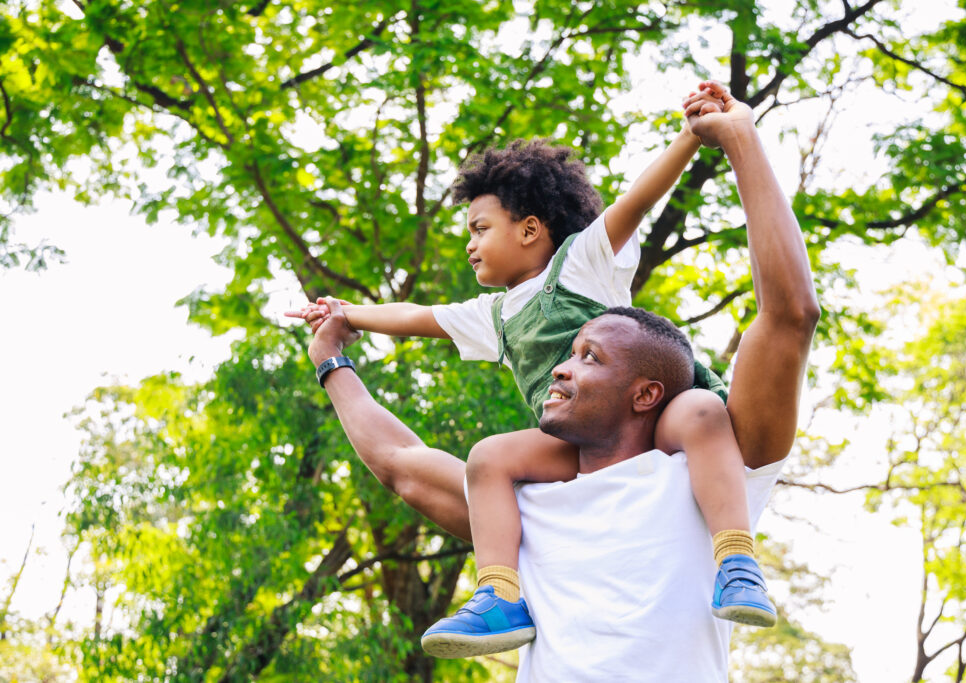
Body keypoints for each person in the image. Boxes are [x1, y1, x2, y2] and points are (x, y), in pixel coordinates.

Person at [300, 83, 820, 681]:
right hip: (567, 464)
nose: (564, 367)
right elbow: (399, 453)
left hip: (683, 419)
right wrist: (335, 341)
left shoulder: (713, 468)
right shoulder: (527, 504)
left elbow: (787, 313)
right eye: (568, 355)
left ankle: (738, 561)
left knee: (701, 409)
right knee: (488, 455)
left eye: (589, 356)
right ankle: (497, 598)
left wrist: (724, 136)